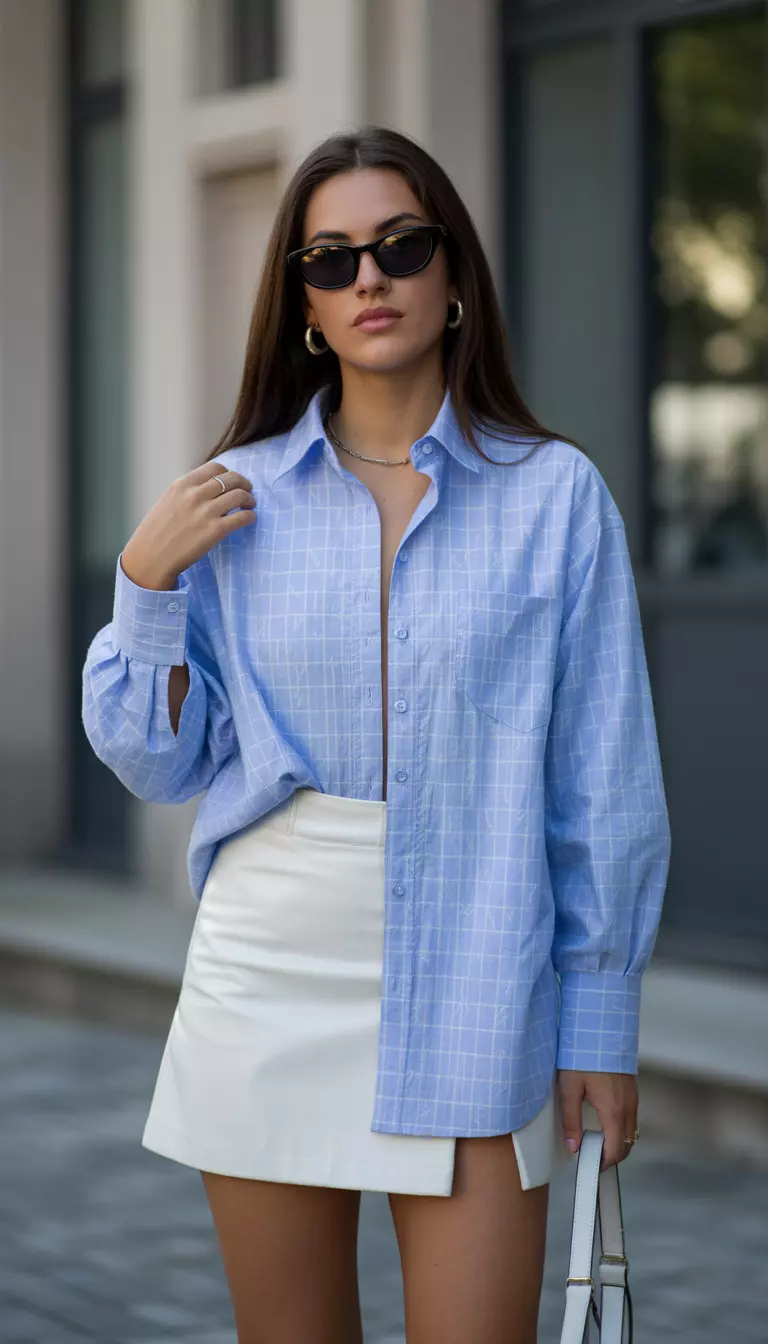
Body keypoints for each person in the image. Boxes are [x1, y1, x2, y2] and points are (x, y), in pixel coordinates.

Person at [82, 126, 670, 1344]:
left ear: (453, 279)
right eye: (332, 259)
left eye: (402, 247)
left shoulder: (557, 498)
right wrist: (143, 587)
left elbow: (601, 782)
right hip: (270, 966)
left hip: (479, 961)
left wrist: (600, 1020)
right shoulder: (234, 498)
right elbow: (159, 762)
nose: (371, 279)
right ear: (300, 302)